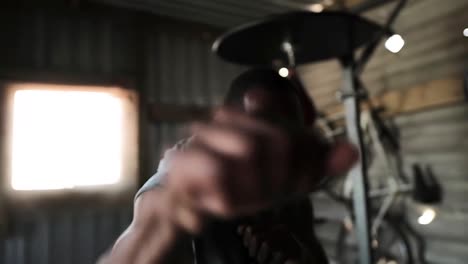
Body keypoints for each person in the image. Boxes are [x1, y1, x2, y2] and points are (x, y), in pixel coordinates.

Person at [99, 68, 358, 264]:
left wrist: (295, 253)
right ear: (226, 124)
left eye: (288, 130)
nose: (275, 142)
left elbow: (315, 256)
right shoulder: (177, 181)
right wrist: (165, 221)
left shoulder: (287, 176)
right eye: (262, 126)